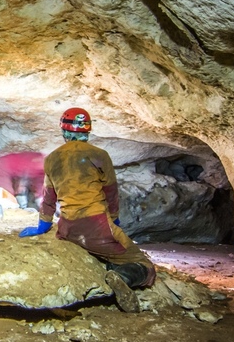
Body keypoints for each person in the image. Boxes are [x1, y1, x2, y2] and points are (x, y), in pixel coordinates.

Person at [18, 107, 157, 312]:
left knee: (100, 250)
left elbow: (49, 198)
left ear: (64, 131)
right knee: (144, 264)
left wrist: (41, 227)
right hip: (97, 226)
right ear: (87, 131)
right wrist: (114, 222)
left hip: (67, 230)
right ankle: (123, 276)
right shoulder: (99, 155)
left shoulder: (52, 158)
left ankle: (110, 268)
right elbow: (111, 193)